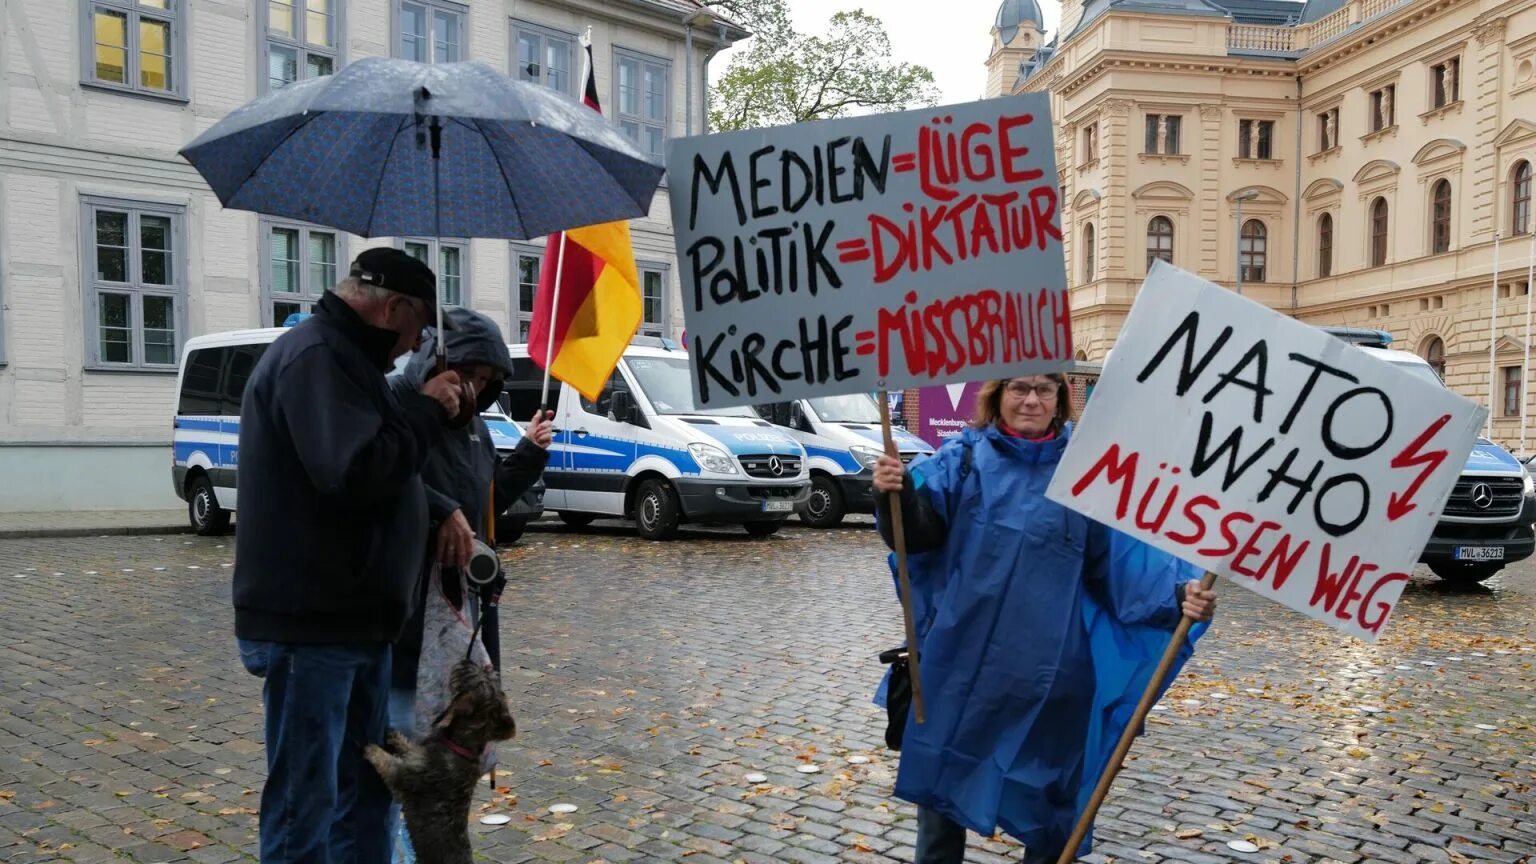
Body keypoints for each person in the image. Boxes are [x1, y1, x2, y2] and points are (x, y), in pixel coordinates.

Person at [872, 373, 1217, 864]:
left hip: (1051, 681)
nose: (1031, 399)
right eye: (1018, 388)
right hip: (962, 670)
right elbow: (919, 535)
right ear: (997, 396)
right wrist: (897, 494)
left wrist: (1178, 595)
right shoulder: (961, 460)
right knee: (940, 805)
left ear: (1060, 401)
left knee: (1054, 814)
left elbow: (1116, 567)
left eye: (1044, 389)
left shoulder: (1088, 476)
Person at [233, 248, 464, 864]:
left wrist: (439, 503)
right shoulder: (316, 358)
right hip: (312, 624)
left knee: (365, 792)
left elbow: (390, 464)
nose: (411, 349)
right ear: (392, 309)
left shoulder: (351, 362)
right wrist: (423, 408)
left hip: (359, 623)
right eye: (415, 334)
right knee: (304, 800)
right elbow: (357, 471)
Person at [384, 307, 554, 864]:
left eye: (486, 381)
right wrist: (440, 512)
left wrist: (528, 454)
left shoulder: (477, 426)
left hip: (463, 618)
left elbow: (485, 510)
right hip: (406, 620)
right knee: (408, 764)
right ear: (439, 363)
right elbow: (383, 482)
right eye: (468, 376)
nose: (475, 390)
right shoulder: (398, 406)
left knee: (445, 767)